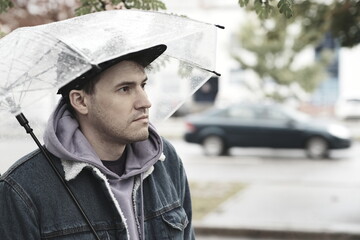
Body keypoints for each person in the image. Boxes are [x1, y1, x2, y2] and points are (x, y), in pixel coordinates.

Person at [0, 44, 195, 239]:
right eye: (125, 89)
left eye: (142, 85)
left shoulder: (165, 161)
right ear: (81, 101)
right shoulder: (22, 190)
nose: (145, 102)